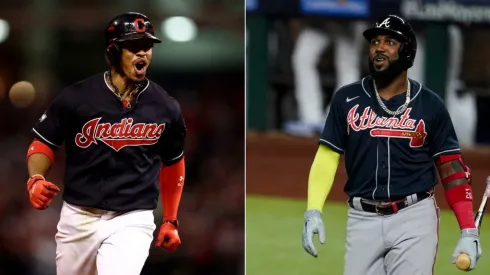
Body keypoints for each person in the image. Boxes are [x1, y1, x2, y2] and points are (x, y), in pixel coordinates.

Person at [301, 14, 482, 274]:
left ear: (407, 51)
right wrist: (313, 211)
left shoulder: (430, 105)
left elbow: (451, 169)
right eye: (375, 41)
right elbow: (327, 156)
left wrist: (468, 230)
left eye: (390, 42)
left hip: (414, 218)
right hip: (362, 219)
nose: (379, 47)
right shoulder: (346, 98)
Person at [25, 12, 186, 275]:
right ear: (113, 51)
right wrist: (36, 178)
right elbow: (43, 142)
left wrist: (170, 219)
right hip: (78, 216)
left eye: (146, 46)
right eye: (133, 46)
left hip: (133, 218)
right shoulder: (77, 97)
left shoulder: (166, 106)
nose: (142, 53)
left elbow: (174, 162)